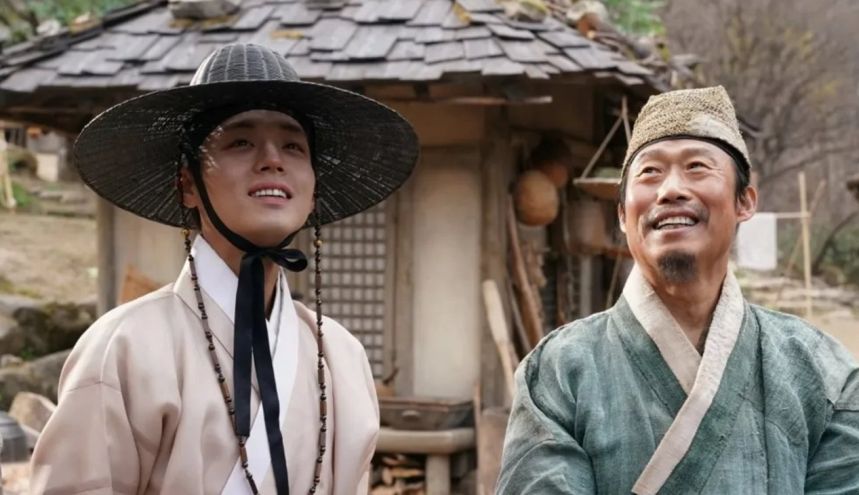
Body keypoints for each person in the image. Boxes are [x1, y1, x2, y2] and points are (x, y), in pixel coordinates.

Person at [30, 43, 419, 494]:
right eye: (240, 142)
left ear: (313, 190)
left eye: (293, 146)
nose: (272, 159)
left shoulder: (342, 356)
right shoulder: (124, 347)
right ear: (188, 183)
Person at [497, 86, 859, 494]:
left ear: (745, 202)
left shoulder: (821, 373)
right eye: (650, 172)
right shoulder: (559, 372)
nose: (670, 189)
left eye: (697, 167)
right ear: (622, 214)